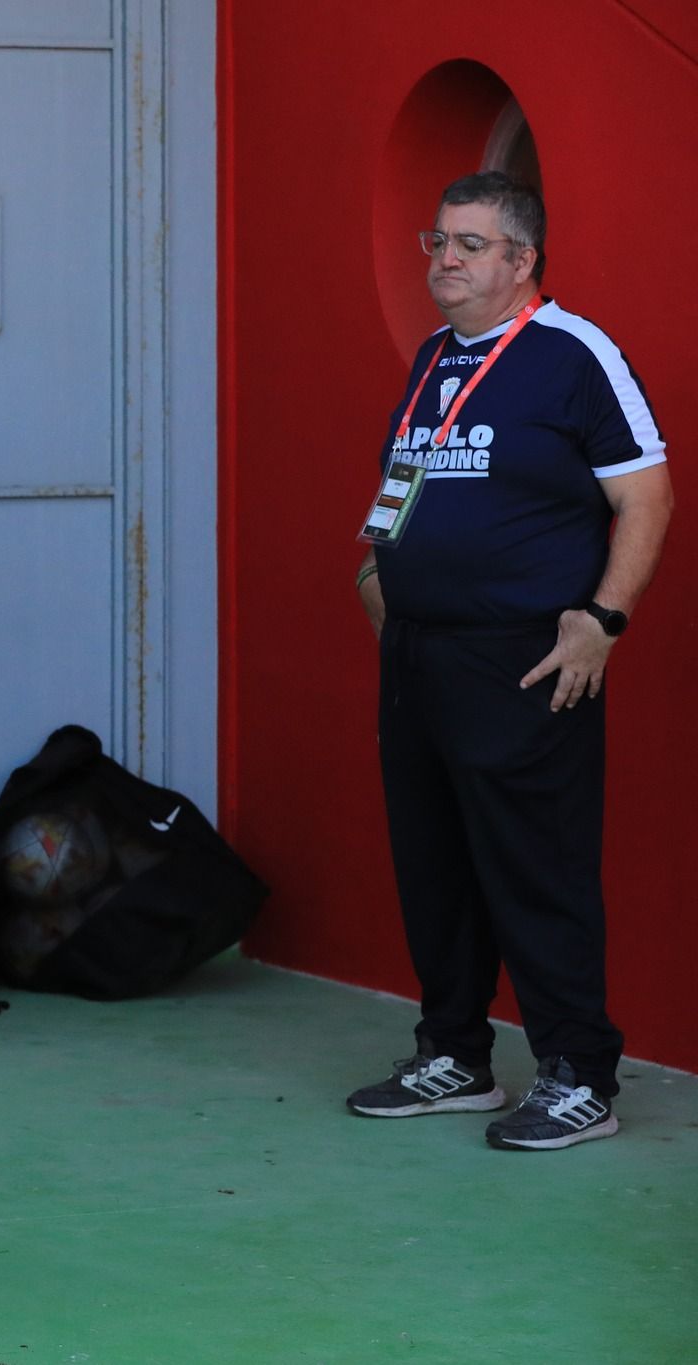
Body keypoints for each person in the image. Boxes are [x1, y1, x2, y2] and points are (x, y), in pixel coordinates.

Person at [348, 171, 672, 1151]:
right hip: (417, 660)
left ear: (519, 259)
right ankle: (452, 1054)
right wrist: (374, 574)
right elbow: (407, 477)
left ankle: (577, 1074)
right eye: (435, 241)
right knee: (433, 867)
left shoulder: (572, 354)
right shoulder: (434, 358)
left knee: (536, 870)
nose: (443, 259)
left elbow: (646, 496)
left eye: (468, 244)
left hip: (523, 661)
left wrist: (600, 620)